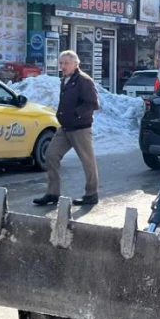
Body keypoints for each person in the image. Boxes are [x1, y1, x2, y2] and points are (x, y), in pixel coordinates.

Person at [34, 51, 101, 207]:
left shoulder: (84, 81)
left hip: (80, 128)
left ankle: (92, 194)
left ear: (75, 64)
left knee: (87, 161)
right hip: (65, 128)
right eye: (61, 63)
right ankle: (53, 193)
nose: (62, 66)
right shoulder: (65, 80)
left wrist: (76, 114)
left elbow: (92, 103)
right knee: (51, 155)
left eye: (66, 63)